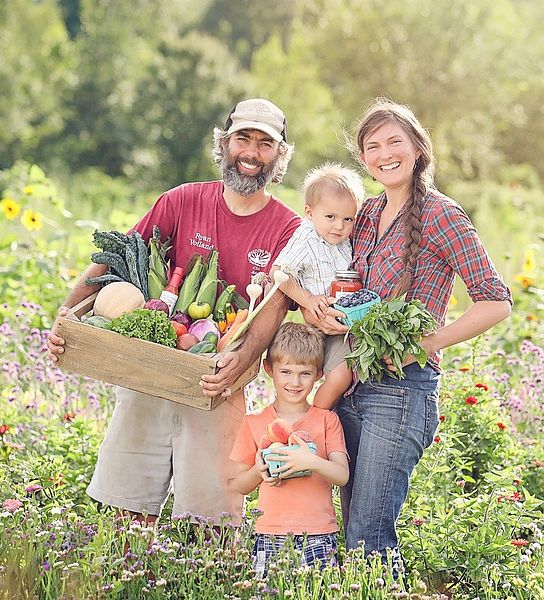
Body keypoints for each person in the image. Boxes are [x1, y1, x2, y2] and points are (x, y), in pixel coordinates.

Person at [47, 98, 302, 528]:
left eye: (265, 144)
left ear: (279, 155)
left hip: (215, 380)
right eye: (243, 138)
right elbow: (113, 255)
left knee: (212, 518)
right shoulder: (182, 200)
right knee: (126, 508)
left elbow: (274, 308)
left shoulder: (288, 227)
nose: (252, 154)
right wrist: (65, 317)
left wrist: (240, 359)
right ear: (224, 143)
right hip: (149, 366)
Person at [301, 98, 512, 575]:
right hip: (350, 383)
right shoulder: (365, 213)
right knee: (352, 526)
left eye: (395, 141)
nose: (384, 153)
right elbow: (337, 277)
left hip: (401, 391)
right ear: (363, 159)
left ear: (418, 147)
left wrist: (428, 343)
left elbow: (496, 300)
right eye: (372, 146)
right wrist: (323, 312)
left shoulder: (442, 215)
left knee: (369, 538)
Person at [230, 322, 349, 575]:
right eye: (286, 372)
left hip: (319, 533)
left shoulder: (327, 420)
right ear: (269, 369)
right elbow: (239, 484)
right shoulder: (254, 422)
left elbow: (342, 474)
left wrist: (311, 461)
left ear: (318, 374)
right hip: (270, 532)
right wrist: (258, 470)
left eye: (305, 373)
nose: (295, 382)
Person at [272, 163, 365, 410]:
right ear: (310, 213)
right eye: (330, 217)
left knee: (342, 373)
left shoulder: (344, 239)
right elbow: (278, 272)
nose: (339, 226)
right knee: (299, 372)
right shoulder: (306, 237)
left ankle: (316, 414)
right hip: (317, 322)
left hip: (343, 326)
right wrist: (308, 300)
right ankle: (299, 414)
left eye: (348, 219)